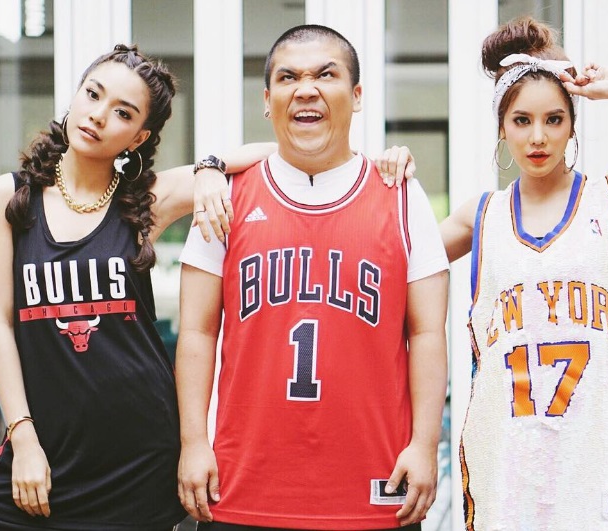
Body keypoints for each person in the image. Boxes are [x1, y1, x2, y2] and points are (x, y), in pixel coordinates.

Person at [376, 16, 608, 531]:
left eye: (554, 119)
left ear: (572, 124)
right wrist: (388, 180)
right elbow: (379, 265)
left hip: (596, 480)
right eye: (522, 120)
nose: (538, 137)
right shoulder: (480, 218)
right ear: (502, 127)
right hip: (505, 478)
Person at [0, 44, 276, 531]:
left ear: (138, 137)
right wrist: (23, 438)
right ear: (76, 95)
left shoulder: (145, 201)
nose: (99, 115)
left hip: (137, 460)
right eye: (93, 94)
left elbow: (278, 155)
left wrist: (210, 167)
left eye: (122, 112)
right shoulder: (10, 197)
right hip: (42, 452)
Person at [175, 24, 449, 531]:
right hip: (241, 483)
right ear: (267, 100)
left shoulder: (401, 195)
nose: (306, 89)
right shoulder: (224, 197)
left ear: (357, 95)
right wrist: (193, 442)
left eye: (326, 74)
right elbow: (196, 332)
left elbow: (428, 333)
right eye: (288, 77)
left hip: (374, 483)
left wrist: (424, 444)